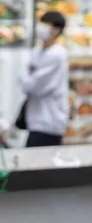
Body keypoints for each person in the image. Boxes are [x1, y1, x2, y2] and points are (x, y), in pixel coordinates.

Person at [19, 10, 69, 147]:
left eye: (46, 24)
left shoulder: (57, 54)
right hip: (34, 120)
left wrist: (27, 80)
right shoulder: (36, 51)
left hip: (50, 121)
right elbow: (27, 81)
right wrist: (27, 80)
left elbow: (34, 86)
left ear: (56, 30)